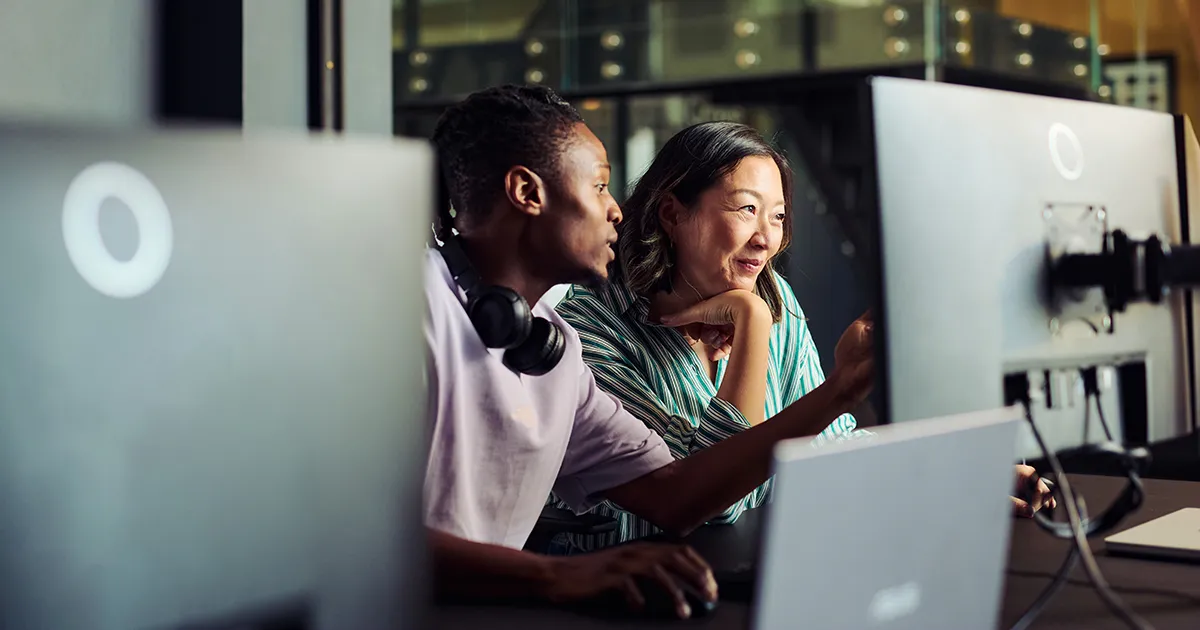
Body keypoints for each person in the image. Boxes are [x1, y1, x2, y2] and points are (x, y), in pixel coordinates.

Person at [422, 85, 1049, 619]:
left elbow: (677, 491)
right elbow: (341, 534)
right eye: (600, 185)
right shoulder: (416, 314)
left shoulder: (546, 346)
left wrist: (867, 413)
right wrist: (555, 578)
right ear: (528, 193)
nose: (616, 208)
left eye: (776, 215)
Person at [547, 121, 1056, 552]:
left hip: (743, 575)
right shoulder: (591, 330)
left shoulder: (776, 299)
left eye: (779, 216)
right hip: (627, 600)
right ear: (673, 213)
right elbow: (715, 502)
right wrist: (751, 327)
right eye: (747, 210)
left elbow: (824, 452)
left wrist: (952, 478)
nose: (767, 239)